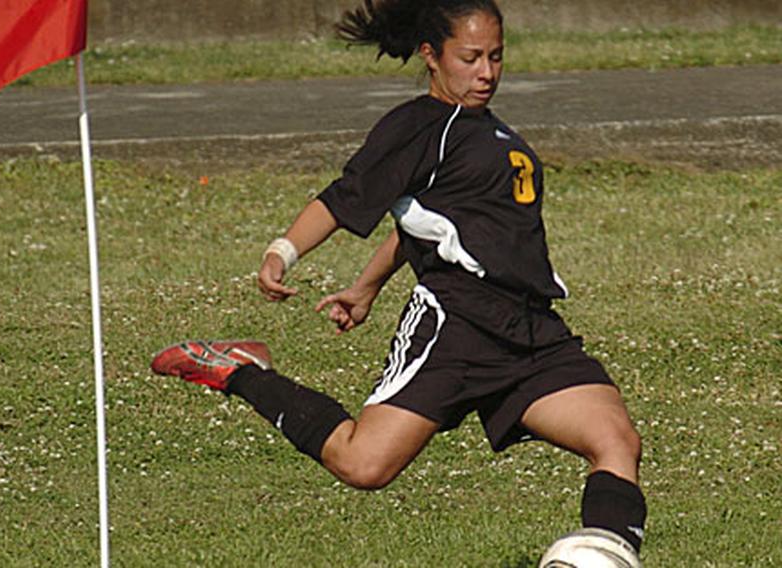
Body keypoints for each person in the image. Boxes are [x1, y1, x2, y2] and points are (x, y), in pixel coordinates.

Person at [152, 0, 647, 561]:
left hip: (532, 331)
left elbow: (430, 222)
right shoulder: (417, 127)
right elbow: (346, 198)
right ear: (430, 56)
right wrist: (282, 252)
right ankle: (242, 371)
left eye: (496, 57)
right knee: (363, 464)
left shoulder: (489, 131)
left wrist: (366, 286)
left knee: (615, 441)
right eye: (470, 58)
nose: (486, 72)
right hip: (457, 326)